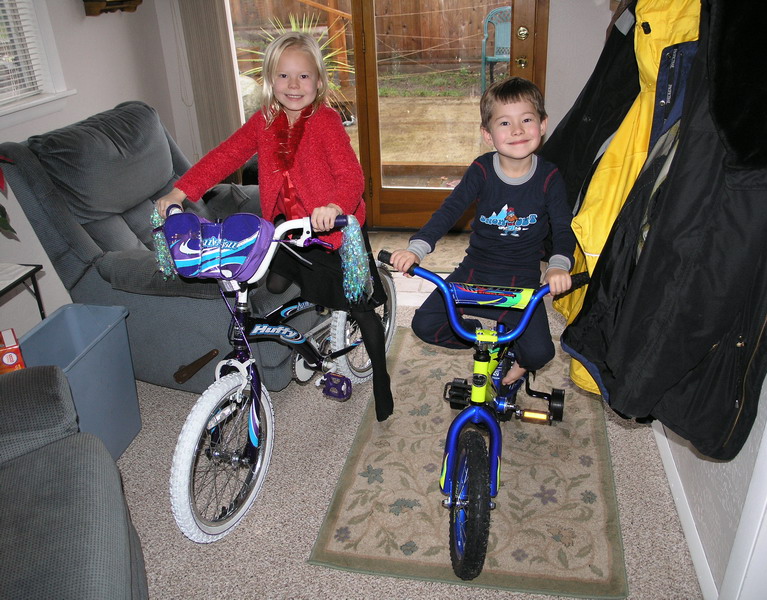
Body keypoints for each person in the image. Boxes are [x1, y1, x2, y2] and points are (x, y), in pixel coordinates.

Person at [156, 31, 393, 421]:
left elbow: (351, 176)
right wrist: (181, 190)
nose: (293, 85)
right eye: (284, 76)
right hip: (286, 227)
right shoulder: (264, 120)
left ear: (318, 81)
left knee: (360, 307)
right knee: (277, 283)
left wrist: (334, 206)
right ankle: (315, 308)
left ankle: (382, 384)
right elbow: (225, 155)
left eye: (303, 76)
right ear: (270, 79)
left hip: (332, 229)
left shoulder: (326, 121)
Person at [390, 76, 576, 386]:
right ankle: (480, 336)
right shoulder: (481, 170)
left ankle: (518, 360)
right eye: (504, 123)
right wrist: (416, 249)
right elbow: (449, 211)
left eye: (526, 120)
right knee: (425, 324)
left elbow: (563, 228)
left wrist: (558, 266)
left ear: (542, 124)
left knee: (540, 353)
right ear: (488, 135)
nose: (517, 130)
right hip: (474, 271)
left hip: (521, 279)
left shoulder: (549, 177)